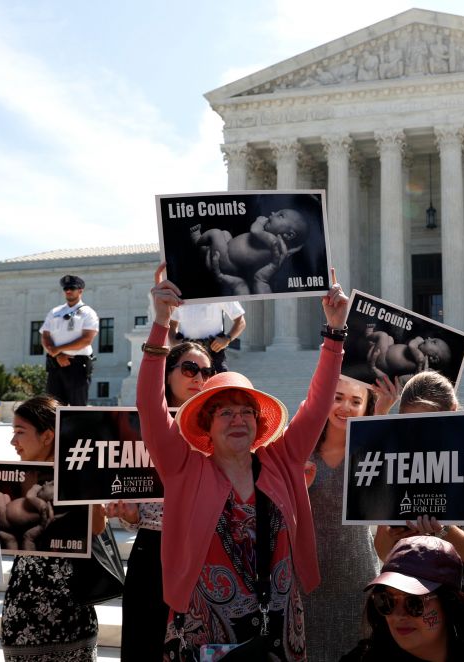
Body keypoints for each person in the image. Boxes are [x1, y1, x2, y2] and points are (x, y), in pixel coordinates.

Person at [140, 263, 348, 660]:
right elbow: (150, 407)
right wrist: (161, 324)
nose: (238, 419)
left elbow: (319, 403)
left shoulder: (282, 460)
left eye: (246, 411)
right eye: (226, 412)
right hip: (206, 633)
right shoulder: (185, 468)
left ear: (258, 421)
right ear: (205, 421)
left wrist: (335, 332)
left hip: (279, 626)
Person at [373, 371, 464, 652]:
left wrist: (443, 529)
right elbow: (383, 552)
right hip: (406, 603)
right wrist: (396, 533)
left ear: (452, 412)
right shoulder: (398, 464)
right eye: (410, 424)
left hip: (463, 606)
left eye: (429, 422)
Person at [106, 341, 215, 662]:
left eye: (206, 371)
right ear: (167, 375)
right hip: (154, 546)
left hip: (206, 548)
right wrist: (128, 514)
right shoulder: (143, 426)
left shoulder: (220, 425)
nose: (198, 377)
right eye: (190, 369)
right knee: (146, 642)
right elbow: (137, 506)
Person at [0, 395, 105, 662]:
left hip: (72, 608)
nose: (14, 442)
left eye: (19, 433)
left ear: (47, 436)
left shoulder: (80, 476)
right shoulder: (17, 478)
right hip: (22, 610)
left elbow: (96, 527)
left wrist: (88, 489)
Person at [303, 374, 399, 659]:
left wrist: (382, 412)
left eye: (355, 401)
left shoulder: (368, 449)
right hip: (305, 583)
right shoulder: (298, 447)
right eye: (337, 398)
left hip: (356, 581)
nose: (345, 407)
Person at [341, 535, 464, 661]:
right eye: (386, 601)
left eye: (414, 603)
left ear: (449, 603)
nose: (398, 615)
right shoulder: (363, 658)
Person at [191, 208, 309, 295]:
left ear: (289, 235)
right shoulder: (273, 242)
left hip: (228, 260)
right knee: (225, 234)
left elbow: (254, 230)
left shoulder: (273, 241)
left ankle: (197, 240)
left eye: (280, 216)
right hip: (228, 253)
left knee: (215, 233)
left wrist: (259, 221)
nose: (273, 213)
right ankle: (206, 249)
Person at [40, 274, 99, 406]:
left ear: (80, 290)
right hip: (55, 364)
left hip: (77, 365)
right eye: (66, 288)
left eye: (72, 288)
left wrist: (59, 349)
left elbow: (86, 339)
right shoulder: (55, 312)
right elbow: (45, 336)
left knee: (77, 409)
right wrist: (58, 355)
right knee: (53, 408)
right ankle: (55, 428)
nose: (68, 291)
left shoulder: (88, 313)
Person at [168, 302, 245, 373]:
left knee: (219, 385)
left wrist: (227, 339)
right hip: (186, 354)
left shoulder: (221, 290)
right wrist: (173, 341)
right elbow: (172, 323)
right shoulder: (181, 292)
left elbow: (241, 322)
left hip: (213, 353)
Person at [364, 327, 452, 383]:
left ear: (433, 358)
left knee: (383, 336)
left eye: (433, 342)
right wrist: (418, 346)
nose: (429, 338)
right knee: (389, 339)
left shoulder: (421, 363)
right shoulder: (419, 348)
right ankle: (372, 344)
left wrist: (420, 361)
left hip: (383, 361)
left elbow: (411, 345)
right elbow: (412, 344)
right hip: (387, 350)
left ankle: (369, 335)